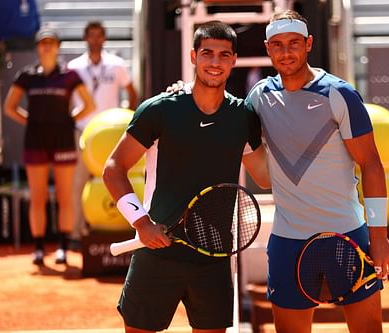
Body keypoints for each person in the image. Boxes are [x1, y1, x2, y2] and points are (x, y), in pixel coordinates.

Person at [102, 21, 270, 333]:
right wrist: (141, 223)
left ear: (234, 60)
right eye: (207, 53)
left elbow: (266, 177)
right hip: (156, 255)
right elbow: (113, 169)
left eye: (223, 55)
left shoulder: (243, 117)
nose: (215, 62)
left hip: (214, 257)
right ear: (193, 57)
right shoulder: (159, 110)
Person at [246, 10, 389, 333]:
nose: (286, 52)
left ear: (309, 44)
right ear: (268, 48)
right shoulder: (259, 98)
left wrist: (379, 236)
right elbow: (262, 176)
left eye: (294, 43)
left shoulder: (339, 94)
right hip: (288, 241)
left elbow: (371, 164)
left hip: (348, 235)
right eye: (278, 44)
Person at [3, 27, 95, 265]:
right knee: (38, 197)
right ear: (37, 47)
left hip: (63, 139)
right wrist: (31, 122)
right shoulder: (27, 76)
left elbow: (89, 104)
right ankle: (39, 248)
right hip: (35, 140)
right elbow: (9, 107)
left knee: (65, 196)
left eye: (51, 42)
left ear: (58, 46)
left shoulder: (69, 75)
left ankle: (63, 247)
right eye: (43, 42)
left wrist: (70, 120)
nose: (47, 46)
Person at [67, 21, 138, 245]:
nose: (95, 40)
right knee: (78, 183)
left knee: (117, 179)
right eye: (91, 36)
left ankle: (123, 227)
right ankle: (77, 232)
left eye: (99, 36)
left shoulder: (116, 64)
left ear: (104, 38)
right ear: (85, 38)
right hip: (83, 133)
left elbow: (131, 92)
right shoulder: (74, 66)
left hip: (111, 134)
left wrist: (126, 116)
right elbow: (67, 99)